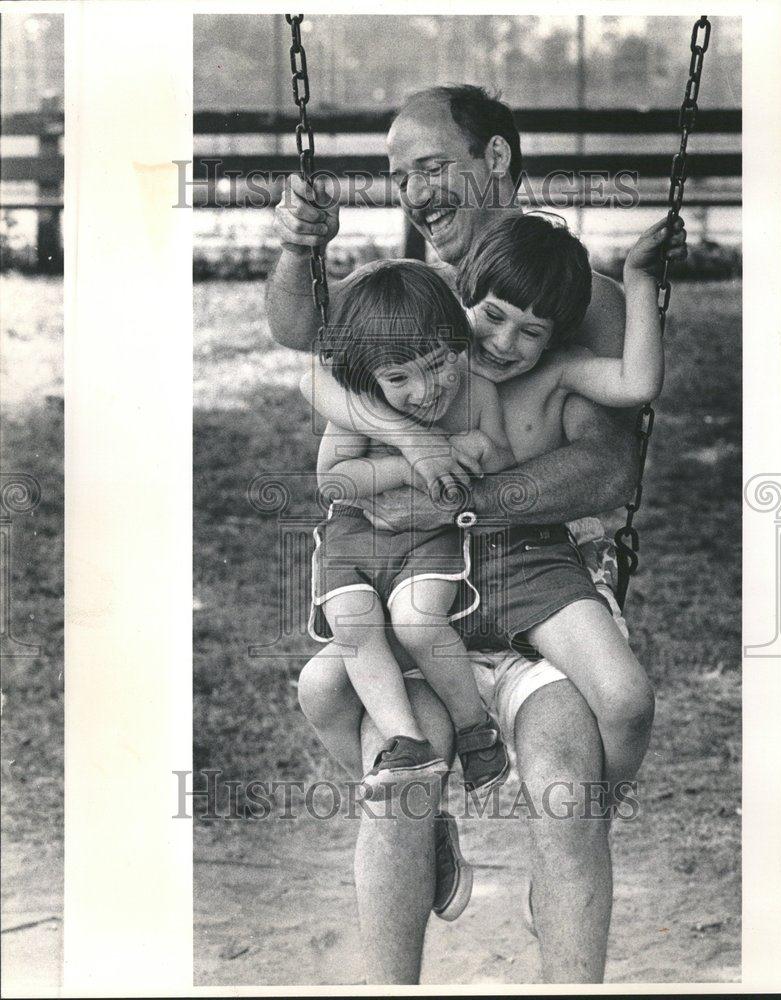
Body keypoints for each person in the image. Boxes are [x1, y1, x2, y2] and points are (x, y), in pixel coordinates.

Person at [266, 84, 687, 983]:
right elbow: (300, 332)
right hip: (413, 584)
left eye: (431, 167)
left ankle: (561, 905)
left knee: (568, 786)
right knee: (399, 788)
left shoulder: (580, 299)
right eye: (398, 177)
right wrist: (299, 245)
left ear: (494, 159)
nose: (414, 192)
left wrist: (452, 502)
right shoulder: (415, 295)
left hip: (537, 583)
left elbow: (609, 469)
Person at [304, 209, 675, 808]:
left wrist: (638, 277)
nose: (504, 343)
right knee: (321, 685)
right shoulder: (430, 350)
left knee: (627, 699)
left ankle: (592, 816)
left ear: (555, 338)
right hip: (414, 565)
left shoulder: (555, 373)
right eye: (493, 316)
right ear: (462, 297)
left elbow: (637, 385)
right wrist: (414, 442)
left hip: (517, 562)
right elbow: (317, 376)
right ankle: (420, 807)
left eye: (532, 332)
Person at [309, 259, 512, 799]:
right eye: (399, 377)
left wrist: (475, 452)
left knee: (418, 623)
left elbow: (497, 455)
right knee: (355, 626)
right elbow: (332, 483)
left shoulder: (475, 395)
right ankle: (405, 741)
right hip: (354, 539)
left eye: (437, 364)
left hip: (427, 539)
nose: (424, 391)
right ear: (367, 377)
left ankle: (475, 730)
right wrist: (406, 463)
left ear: (458, 345)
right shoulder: (360, 409)